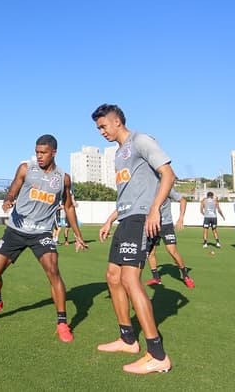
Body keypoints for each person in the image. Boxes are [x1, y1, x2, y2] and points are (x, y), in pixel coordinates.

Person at [0, 134, 87, 343]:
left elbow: (68, 207)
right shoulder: (25, 168)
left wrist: (78, 235)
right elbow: (13, 189)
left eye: (43, 153)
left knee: (53, 271)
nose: (39, 156)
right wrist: (8, 201)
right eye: (37, 152)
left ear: (54, 153)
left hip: (42, 233)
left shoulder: (63, 178)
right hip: (16, 230)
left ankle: (62, 323)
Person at [94, 103, 173, 374]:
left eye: (103, 126)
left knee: (129, 279)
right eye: (98, 128)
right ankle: (128, 339)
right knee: (113, 276)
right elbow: (129, 193)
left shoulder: (141, 140)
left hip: (142, 218)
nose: (101, 131)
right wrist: (110, 218)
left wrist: (155, 210)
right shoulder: (119, 154)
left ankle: (157, 354)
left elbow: (168, 174)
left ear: (117, 122)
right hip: (126, 219)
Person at [144, 188, 195, 288]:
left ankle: (186, 276)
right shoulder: (146, 188)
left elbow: (183, 200)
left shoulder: (166, 188)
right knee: (150, 252)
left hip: (166, 225)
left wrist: (181, 218)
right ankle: (156, 278)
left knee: (172, 251)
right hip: (152, 224)